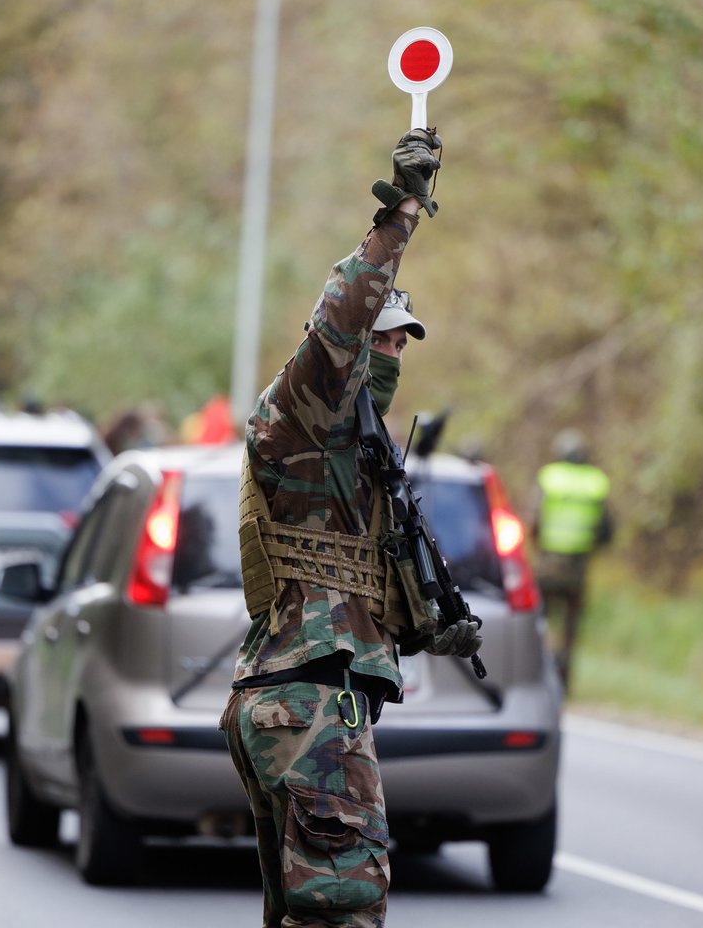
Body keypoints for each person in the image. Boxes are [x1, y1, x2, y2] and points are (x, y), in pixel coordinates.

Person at [221, 128, 482, 928]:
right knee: (344, 912)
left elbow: (347, 576)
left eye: (403, 341)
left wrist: (424, 624)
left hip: (302, 697)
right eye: (384, 338)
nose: (393, 352)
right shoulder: (307, 409)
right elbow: (342, 320)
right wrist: (400, 216)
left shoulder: (353, 449)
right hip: (309, 701)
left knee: (308, 917)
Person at [531, 429, 612, 693]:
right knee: (570, 628)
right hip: (578, 570)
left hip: (548, 567)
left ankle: (538, 670)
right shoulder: (595, 482)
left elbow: (534, 522)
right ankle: (563, 680)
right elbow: (606, 530)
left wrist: (539, 546)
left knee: (538, 620)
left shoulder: (549, 477)